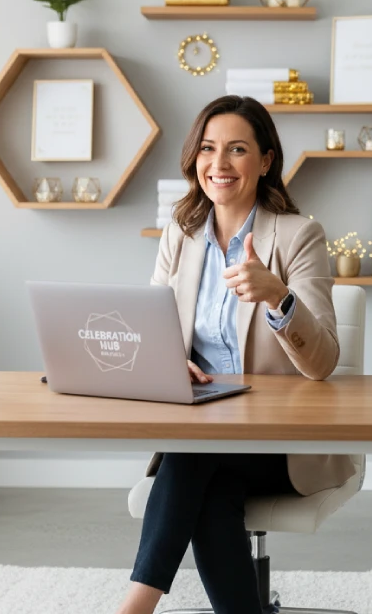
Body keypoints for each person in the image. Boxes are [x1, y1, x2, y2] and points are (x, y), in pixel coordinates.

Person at [116, 95, 357, 614]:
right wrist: (165, 362)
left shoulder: (298, 236)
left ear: (266, 161)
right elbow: (150, 332)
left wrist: (277, 295)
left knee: (193, 454)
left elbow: (322, 364)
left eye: (237, 150)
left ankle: (134, 606)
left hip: (280, 442)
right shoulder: (179, 236)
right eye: (207, 148)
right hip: (204, 434)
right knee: (211, 490)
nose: (218, 164)